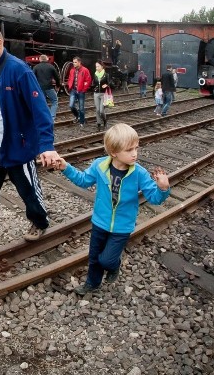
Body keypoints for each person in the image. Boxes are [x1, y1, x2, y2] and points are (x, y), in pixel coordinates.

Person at [0, 24, 62, 250]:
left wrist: (46, 145)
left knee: (28, 191)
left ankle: (39, 222)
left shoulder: (20, 70)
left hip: (18, 145)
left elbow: (40, 110)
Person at [56, 124, 170, 295]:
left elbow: (154, 198)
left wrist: (163, 188)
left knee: (107, 260)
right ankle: (92, 283)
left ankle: (114, 266)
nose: (134, 154)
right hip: (100, 222)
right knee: (94, 258)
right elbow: (83, 180)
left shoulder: (139, 173)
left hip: (122, 227)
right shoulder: (99, 166)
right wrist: (66, 167)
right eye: (129, 150)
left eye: (136, 148)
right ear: (114, 152)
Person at [32, 54, 62, 120]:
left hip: (40, 88)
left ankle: (45, 116)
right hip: (49, 87)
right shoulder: (51, 67)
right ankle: (52, 117)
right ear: (47, 59)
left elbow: (32, 78)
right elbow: (57, 77)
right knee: (54, 101)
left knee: (43, 102)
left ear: (40, 59)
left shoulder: (36, 67)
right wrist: (57, 85)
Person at [66, 56, 92, 128]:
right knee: (71, 105)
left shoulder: (85, 70)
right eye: (73, 62)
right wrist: (69, 85)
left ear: (79, 62)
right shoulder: (72, 70)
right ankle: (77, 116)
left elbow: (88, 80)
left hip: (81, 91)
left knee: (81, 107)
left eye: (75, 62)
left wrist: (84, 89)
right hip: (73, 90)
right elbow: (70, 79)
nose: (74, 63)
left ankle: (82, 122)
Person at [91, 62, 110, 130]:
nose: (97, 68)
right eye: (96, 67)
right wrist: (93, 86)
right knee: (97, 110)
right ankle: (98, 123)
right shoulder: (95, 75)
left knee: (101, 111)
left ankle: (104, 120)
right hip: (96, 94)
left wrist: (107, 85)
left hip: (103, 94)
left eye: (98, 66)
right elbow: (93, 83)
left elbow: (109, 83)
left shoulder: (106, 75)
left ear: (102, 67)